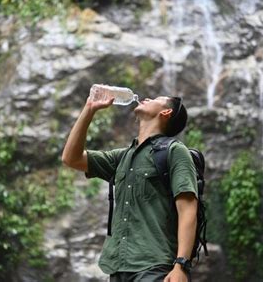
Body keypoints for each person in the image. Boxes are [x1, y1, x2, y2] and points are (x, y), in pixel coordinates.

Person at [62, 93, 198, 282]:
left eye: (156, 99)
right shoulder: (122, 157)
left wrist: (181, 265)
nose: (147, 98)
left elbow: (188, 209)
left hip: (155, 267)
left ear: (166, 112)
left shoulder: (175, 151)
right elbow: (71, 158)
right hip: (118, 268)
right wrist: (89, 109)